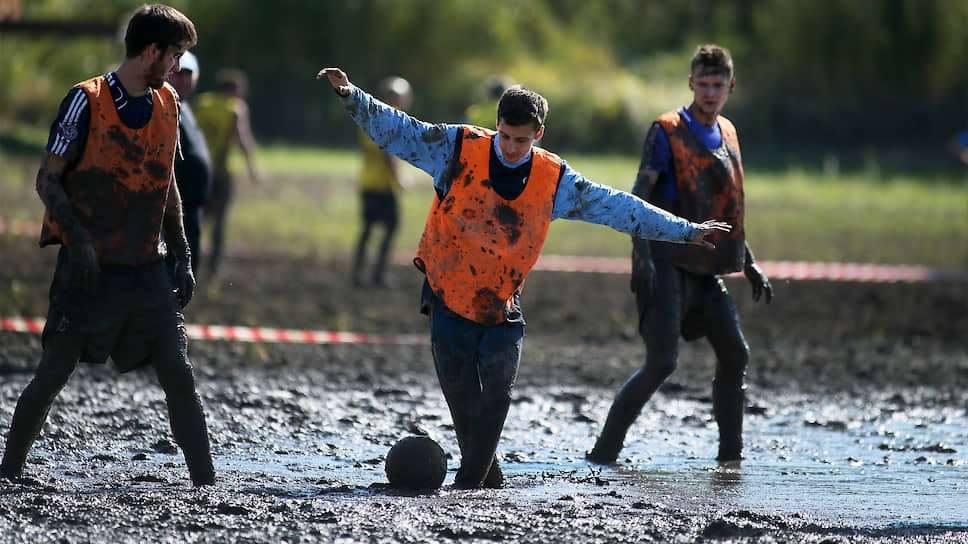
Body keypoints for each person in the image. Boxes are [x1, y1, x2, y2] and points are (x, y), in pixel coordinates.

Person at [317, 66, 732, 489]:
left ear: (539, 133)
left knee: (497, 396)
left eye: (523, 139)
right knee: (464, 404)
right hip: (446, 296)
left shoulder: (555, 180)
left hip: (501, 306)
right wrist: (351, 94)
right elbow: (400, 131)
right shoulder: (456, 147)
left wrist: (687, 230)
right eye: (506, 136)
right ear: (496, 125)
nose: (512, 147)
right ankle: (484, 483)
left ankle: (465, 491)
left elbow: (619, 207)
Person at [0, 4, 215, 487]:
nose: (179, 67)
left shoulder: (169, 105)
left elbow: (168, 181)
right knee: (54, 372)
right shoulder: (85, 99)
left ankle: (207, 484)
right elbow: (47, 180)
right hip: (89, 271)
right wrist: (78, 243)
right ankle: (8, 474)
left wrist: (180, 251)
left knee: (179, 373)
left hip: (147, 270)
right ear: (152, 51)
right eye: (175, 54)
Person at [586, 44, 774, 466]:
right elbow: (640, 196)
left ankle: (731, 460)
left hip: (706, 269)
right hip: (666, 263)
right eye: (703, 84)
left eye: (718, 84)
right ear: (691, 84)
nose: (710, 92)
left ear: (731, 85)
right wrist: (640, 258)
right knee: (661, 363)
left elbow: (727, 211)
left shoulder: (728, 132)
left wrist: (749, 262)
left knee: (735, 353)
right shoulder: (666, 130)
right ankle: (603, 455)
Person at [193, 67, 260, 278]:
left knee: (196, 216)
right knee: (220, 219)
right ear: (234, 89)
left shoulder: (202, 104)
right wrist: (252, 167)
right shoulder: (235, 108)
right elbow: (242, 138)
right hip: (220, 171)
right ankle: (215, 264)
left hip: (199, 167)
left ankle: (187, 258)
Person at [351, 76, 412, 287]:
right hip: (384, 185)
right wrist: (398, 179)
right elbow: (386, 152)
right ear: (392, 96)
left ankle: (358, 273)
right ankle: (378, 273)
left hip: (367, 181)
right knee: (391, 226)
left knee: (367, 228)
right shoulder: (389, 118)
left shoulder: (368, 116)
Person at [166, 50, 212, 272]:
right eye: (178, 73)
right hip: (171, 218)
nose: (183, 79)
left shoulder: (185, 108)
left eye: (188, 74)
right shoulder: (163, 108)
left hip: (191, 214)